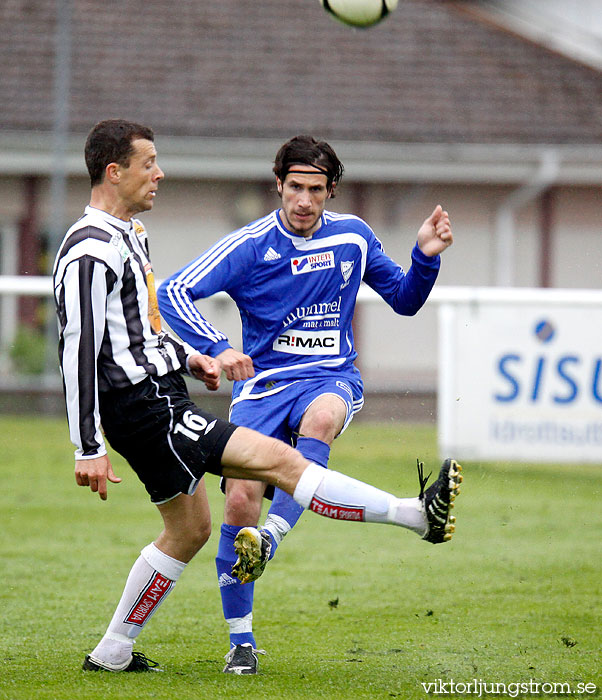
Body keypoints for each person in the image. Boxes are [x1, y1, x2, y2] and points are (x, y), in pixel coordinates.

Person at [54, 120, 462, 676]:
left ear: (330, 192)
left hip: (199, 390)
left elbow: (140, 329)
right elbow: (81, 347)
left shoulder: (129, 235)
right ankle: (414, 517)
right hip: (150, 407)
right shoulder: (91, 248)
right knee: (266, 475)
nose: (160, 173)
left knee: (192, 528)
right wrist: (88, 445)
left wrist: (191, 358)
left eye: (316, 188)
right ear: (114, 171)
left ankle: (112, 651)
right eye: (150, 163)